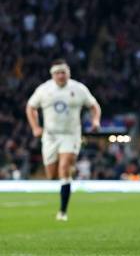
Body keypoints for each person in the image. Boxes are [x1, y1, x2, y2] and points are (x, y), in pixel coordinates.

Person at [26, 59, 101, 221]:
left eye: (63, 72)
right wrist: (35, 127)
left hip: (71, 134)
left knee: (64, 168)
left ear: (68, 73)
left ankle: (62, 212)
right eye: (57, 73)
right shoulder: (44, 89)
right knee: (51, 175)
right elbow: (30, 107)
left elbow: (94, 105)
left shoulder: (78, 89)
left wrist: (96, 121)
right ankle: (67, 173)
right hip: (50, 136)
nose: (61, 75)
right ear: (52, 74)